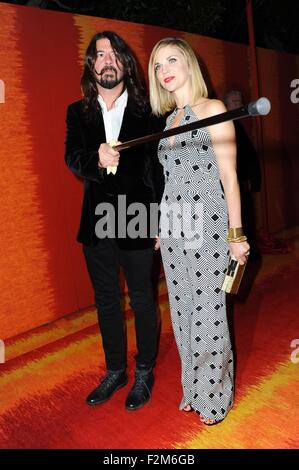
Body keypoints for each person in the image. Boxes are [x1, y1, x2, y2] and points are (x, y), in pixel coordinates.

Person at [148, 38, 249, 425]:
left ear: (189, 63)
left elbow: (230, 176)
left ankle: (214, 397)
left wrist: (236, 234)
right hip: (174, 231)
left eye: (172, 59)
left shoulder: (214, 109)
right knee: (183, 311)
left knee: (208, 314)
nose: (164, 69)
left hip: (207, 223)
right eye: (157, 65)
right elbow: (170, 180)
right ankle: (193, 387)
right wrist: (162, 226)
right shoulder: (168, 121)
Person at [65, 31, 163, 411]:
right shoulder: (78, 112)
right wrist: (95, 160)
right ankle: (115, 369)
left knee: (141, 299)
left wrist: (159, 219)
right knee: (106, 299)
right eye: (99, 54)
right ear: (92, 65)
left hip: (138, 216)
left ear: (125, 62)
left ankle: (144, 370)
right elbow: (72, 157)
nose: (107, 60)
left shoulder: (148, 111)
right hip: (96, 220)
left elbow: (157, 170)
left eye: (113, 53)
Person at [224, 90, 262, 259]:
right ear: (225, 105)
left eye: (240, 101)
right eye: (234, 101)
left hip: (242, 186)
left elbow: (249, 156)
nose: (238, 105)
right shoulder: (226, 126)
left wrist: (254, 180)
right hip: (230, 188)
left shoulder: (239, 126)